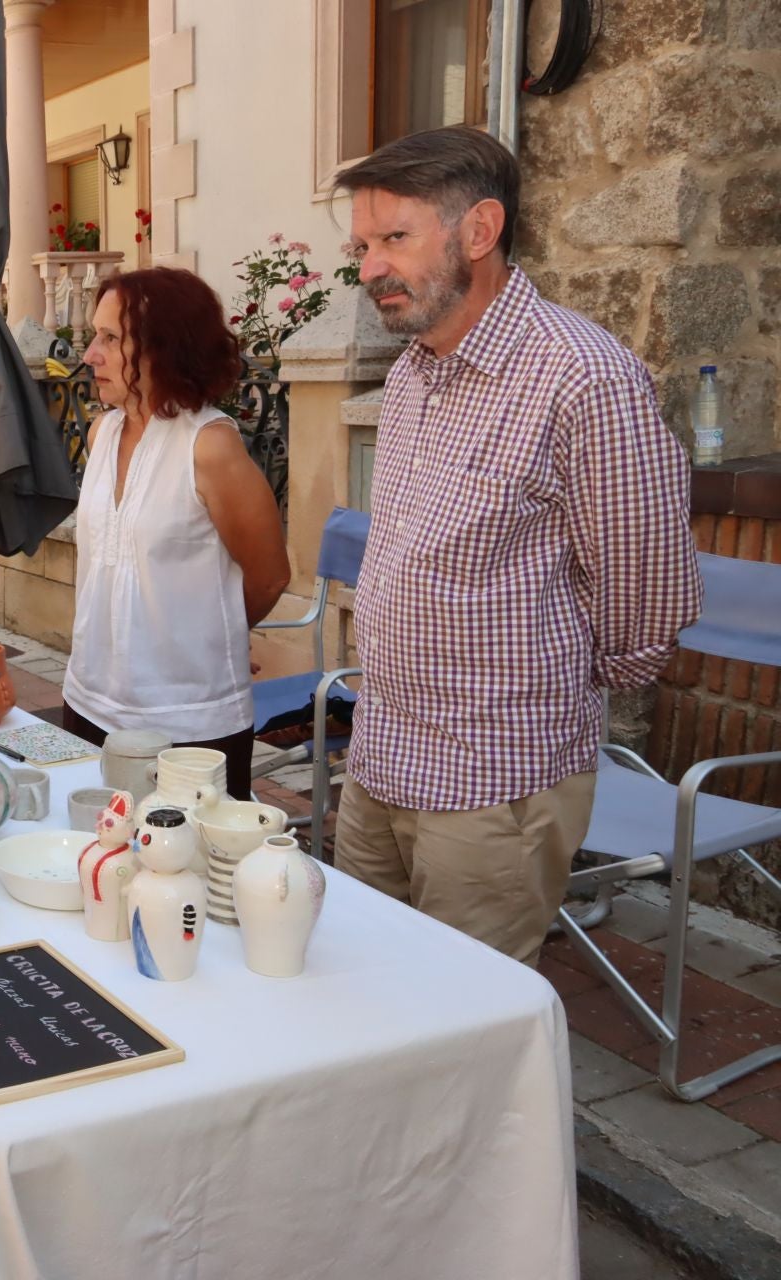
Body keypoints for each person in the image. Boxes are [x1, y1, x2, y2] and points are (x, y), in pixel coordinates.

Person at [334, 126, 700, 965]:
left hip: (494, 783)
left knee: (466, 1028)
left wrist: (542, 691)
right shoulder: (410, 374)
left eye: (394, 238)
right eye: (363, 244)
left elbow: (648, 598)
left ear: (479, 230)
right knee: (355, 989)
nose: (368, 268)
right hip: (382, 755)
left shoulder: (585, 379)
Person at [61, 268, 292, 800]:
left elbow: (269, 575)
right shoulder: (103, 432)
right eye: (95, 336)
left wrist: (216, 637)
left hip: (188, 725)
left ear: (165, 347)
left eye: (111, 338)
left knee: (191, 874)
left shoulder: (208, 446)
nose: (91, 354)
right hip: (89, 699)